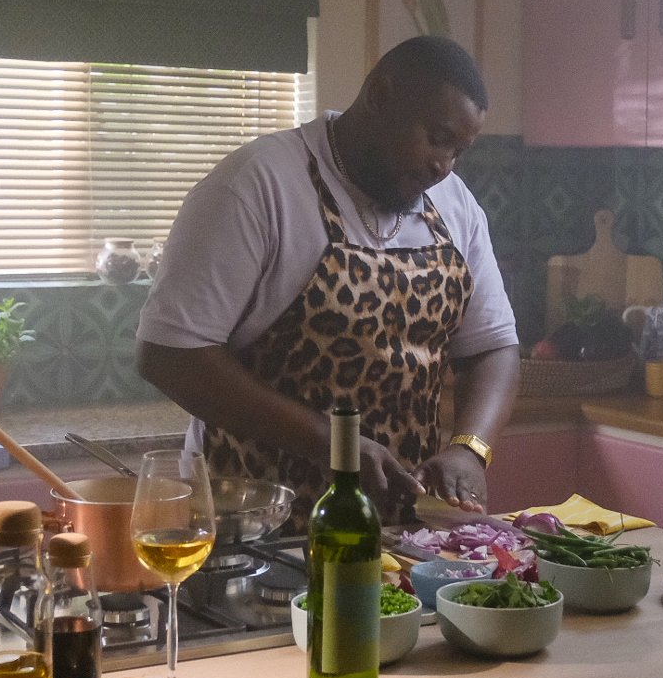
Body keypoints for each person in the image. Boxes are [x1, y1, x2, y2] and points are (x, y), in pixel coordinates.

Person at [135, 35, 520, 525]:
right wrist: (331, 442)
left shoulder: (455, 204)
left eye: (458, 152)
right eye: (437, 139)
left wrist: (470, 447)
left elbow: (493, 346)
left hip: (396, 534)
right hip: (260, 528)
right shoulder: (257, 186)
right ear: (381, 96)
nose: (442, 167)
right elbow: (169, 355)